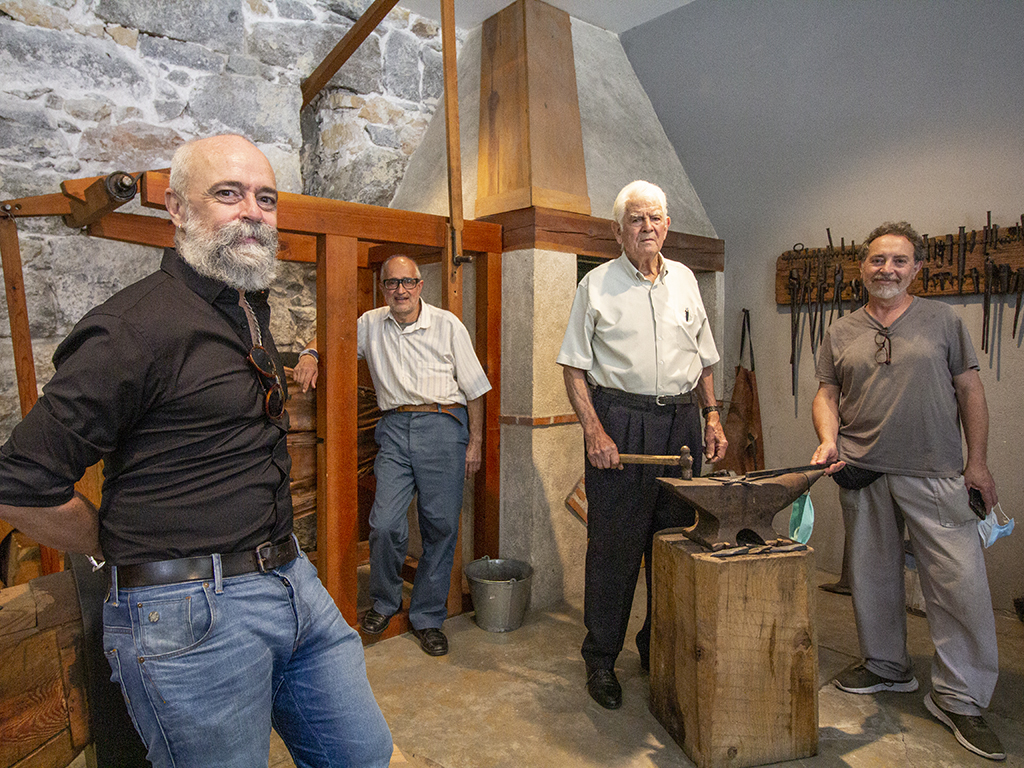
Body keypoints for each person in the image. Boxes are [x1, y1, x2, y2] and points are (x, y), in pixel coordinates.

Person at [0, 134, 394, 768]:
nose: (252, 212)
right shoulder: (132, 328)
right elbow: (20, 480)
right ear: (178, 210)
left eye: (265, 198)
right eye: (228, 194)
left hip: (292, 582)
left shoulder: (244, 310)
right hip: (188, 613)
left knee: (364, 754)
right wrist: (108, 542)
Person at [811, 221, 1004, 761]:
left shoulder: (943, 321)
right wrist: (828, 439)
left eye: (899, 261)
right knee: (871, 577)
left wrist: (978, 464)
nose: (887, 269)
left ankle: (960, 696)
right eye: (877, 260)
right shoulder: (841, 330)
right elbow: (826, 393)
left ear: (916, 269)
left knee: (957, 584)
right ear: (863, 267)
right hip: (861, 469)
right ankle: (887, 666)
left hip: (935, 472)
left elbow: (970, 390)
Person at [556, 180, 727, 710]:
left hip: (681, 426)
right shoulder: (597, 285)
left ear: (667, 226)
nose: (647, 227)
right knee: (614, 548)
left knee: (674, 544)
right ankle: (601, 658)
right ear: (619, 230)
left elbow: (700, 359)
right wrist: (594, 431)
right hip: (621, 425)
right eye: (636, 219)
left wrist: (713, 418)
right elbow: (573, 367)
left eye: (655, 218)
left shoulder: (686, 281)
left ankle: (658, 650)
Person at [293, 255, 491, 657]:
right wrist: (310, 354)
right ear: (383, 287)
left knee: (440, 527)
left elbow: (475, 390)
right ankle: (385, 603)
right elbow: (331, 337)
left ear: (420, 285)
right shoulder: (369, 323)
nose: (400, 290)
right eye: (391, 283)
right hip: (395, 429)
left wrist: (475, 444)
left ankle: (428, 618)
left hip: (443, 424)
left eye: (408, 282)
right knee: (384, 523)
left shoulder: (447, 325)